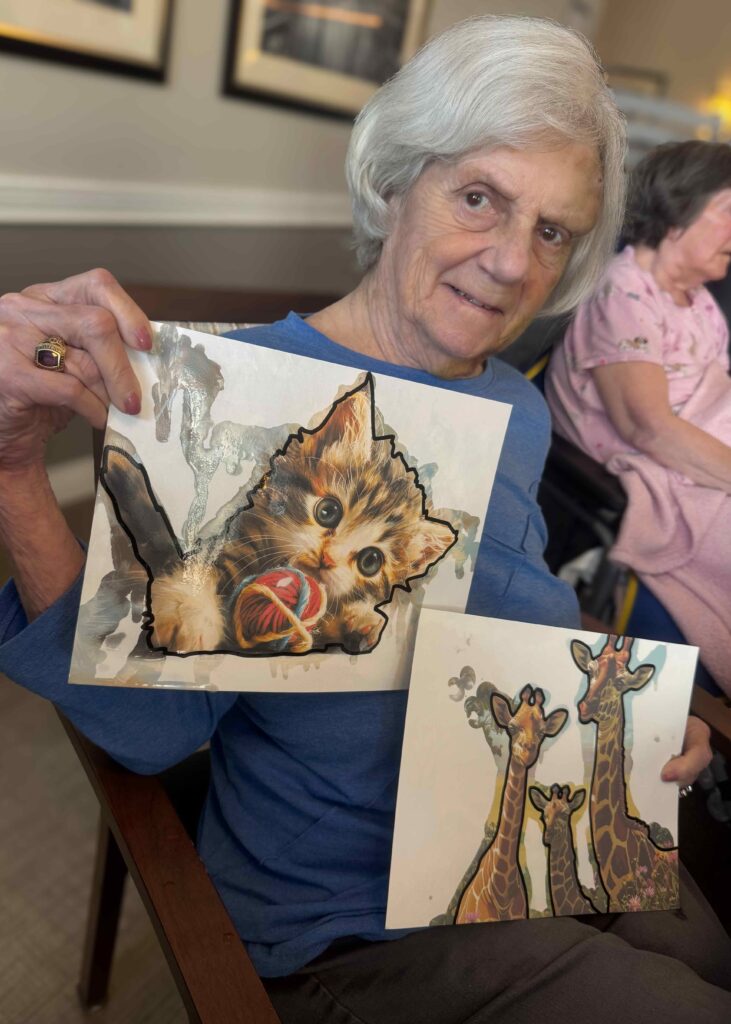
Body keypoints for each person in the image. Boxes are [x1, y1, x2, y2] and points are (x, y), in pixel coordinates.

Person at [0, 17, 728, 1024]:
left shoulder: (513, 408)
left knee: (704, 950)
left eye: (550, 231)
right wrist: (15, 472)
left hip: (516, 830)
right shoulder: (250, 395)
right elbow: (146, 731)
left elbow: (522, 618)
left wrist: (627, 715)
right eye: (479, 198)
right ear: (395, 181)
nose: (515, 264)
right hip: (350, 912)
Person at [546, 141, 731, 698]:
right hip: (647, 463)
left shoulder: (696, 299)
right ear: (680, 212)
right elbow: (648, 427)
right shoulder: (623, 293)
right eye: (728, 213)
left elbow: (711, 390)